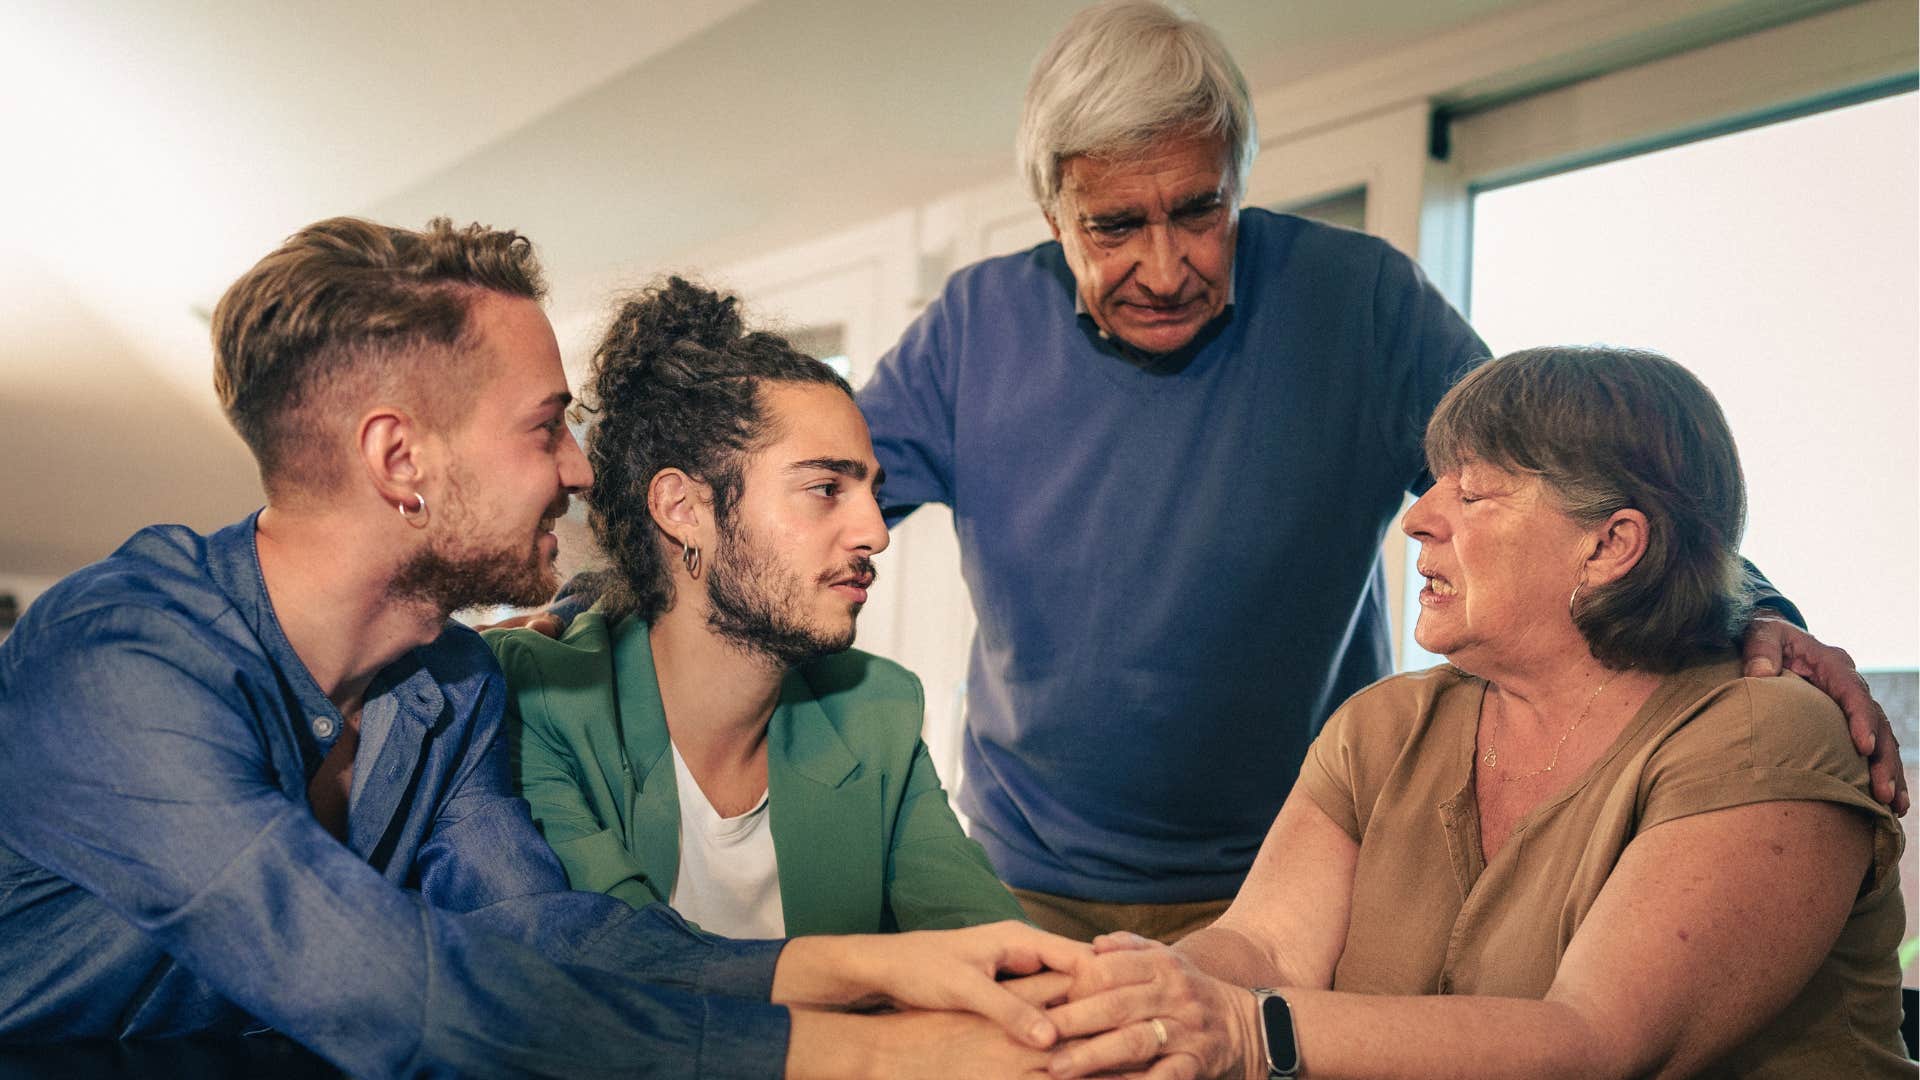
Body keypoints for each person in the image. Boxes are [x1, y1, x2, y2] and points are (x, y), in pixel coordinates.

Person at [853, 0, 1907, 941]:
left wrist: (1751, 606)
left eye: (1200, 211)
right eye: (1116, 226)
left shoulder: (1357, 302)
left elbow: (1574, 487)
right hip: (1025, 874)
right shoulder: (973, 328)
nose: (1166, 269)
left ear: (1238, 184)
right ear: (1053, 214)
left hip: (1305, 866)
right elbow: (814, 500)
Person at [0, 217, 1089, 1078]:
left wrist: (868, 965)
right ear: (400, 460)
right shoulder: (119, 661)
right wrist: (869, 1056)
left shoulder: (450, 684)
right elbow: (385, 989)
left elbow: (550, 936)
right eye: (544, 425)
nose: (579, 469)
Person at [1039, 347, 1908, 1079]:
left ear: (1611, 545)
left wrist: (1244, 1030)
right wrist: (1122, 999)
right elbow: (1264, 948)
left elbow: (1594, 1043)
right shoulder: (1384, 727)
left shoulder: (1764, 737)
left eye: (1473, 492)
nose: (1418, 518)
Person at [487, 278, 1026, 937]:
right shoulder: (537, 701)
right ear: (683, 509)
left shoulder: (876, 709)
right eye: (825, 487)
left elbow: (984, 937)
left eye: (872, 493)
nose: (876, 533)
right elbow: (619, 967)